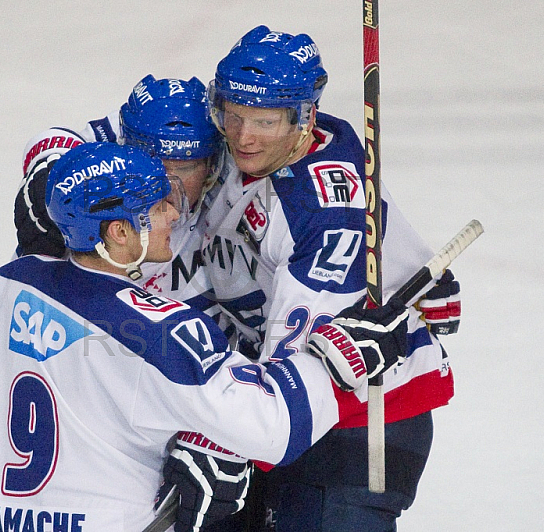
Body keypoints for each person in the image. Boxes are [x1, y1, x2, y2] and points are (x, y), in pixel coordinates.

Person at [0, 142, 412, 532]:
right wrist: (338, 360)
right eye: (155, 207)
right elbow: (274, 426)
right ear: (117, 234)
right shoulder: (159, 332)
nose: (175, 214)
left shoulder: (6, 287)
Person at [200, 25, 463, 531]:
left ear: (304, 118)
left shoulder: (323, 214)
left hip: (358, 425)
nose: (243, 135)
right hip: (319, 413)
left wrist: (218, 439)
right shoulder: (284, 147)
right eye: (232, 116)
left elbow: (293, 379)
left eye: (264, 121)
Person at [14, 75, 224, 312]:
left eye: (185, 168)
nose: (167, 184)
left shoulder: (228, 150)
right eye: (157, 164)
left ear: (211, 164)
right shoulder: (126, 138)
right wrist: (45, 170)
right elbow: (58, 142)